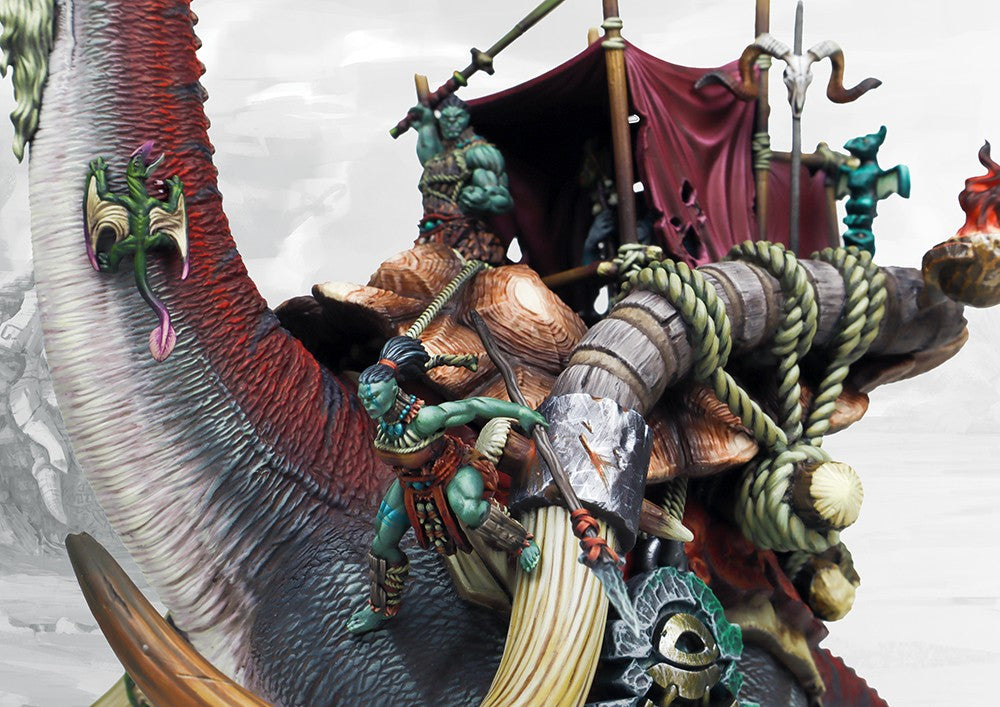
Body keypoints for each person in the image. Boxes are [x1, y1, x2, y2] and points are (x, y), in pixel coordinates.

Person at [347, 335, 545, 635]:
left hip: (453, 469)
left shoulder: (426, 418)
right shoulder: (384, 423)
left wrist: (520, 413)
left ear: (393, 390)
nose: (369, 404)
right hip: (411, 483)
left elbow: (473, 406)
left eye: (374, 396)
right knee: (382, 542)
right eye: (365, 398)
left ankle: (521, 543)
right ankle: (381, 608)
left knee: (467, 509)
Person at [410, 96, 513, 266]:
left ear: (466, 119)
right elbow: (430, 160)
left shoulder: (478, 152)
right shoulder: (441, 157)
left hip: (466, 239)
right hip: (430, 236)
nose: (452, 122)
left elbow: (500, 198)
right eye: (446, 118)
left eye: (457, 117)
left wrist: (482, 200)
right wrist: (426, 126)